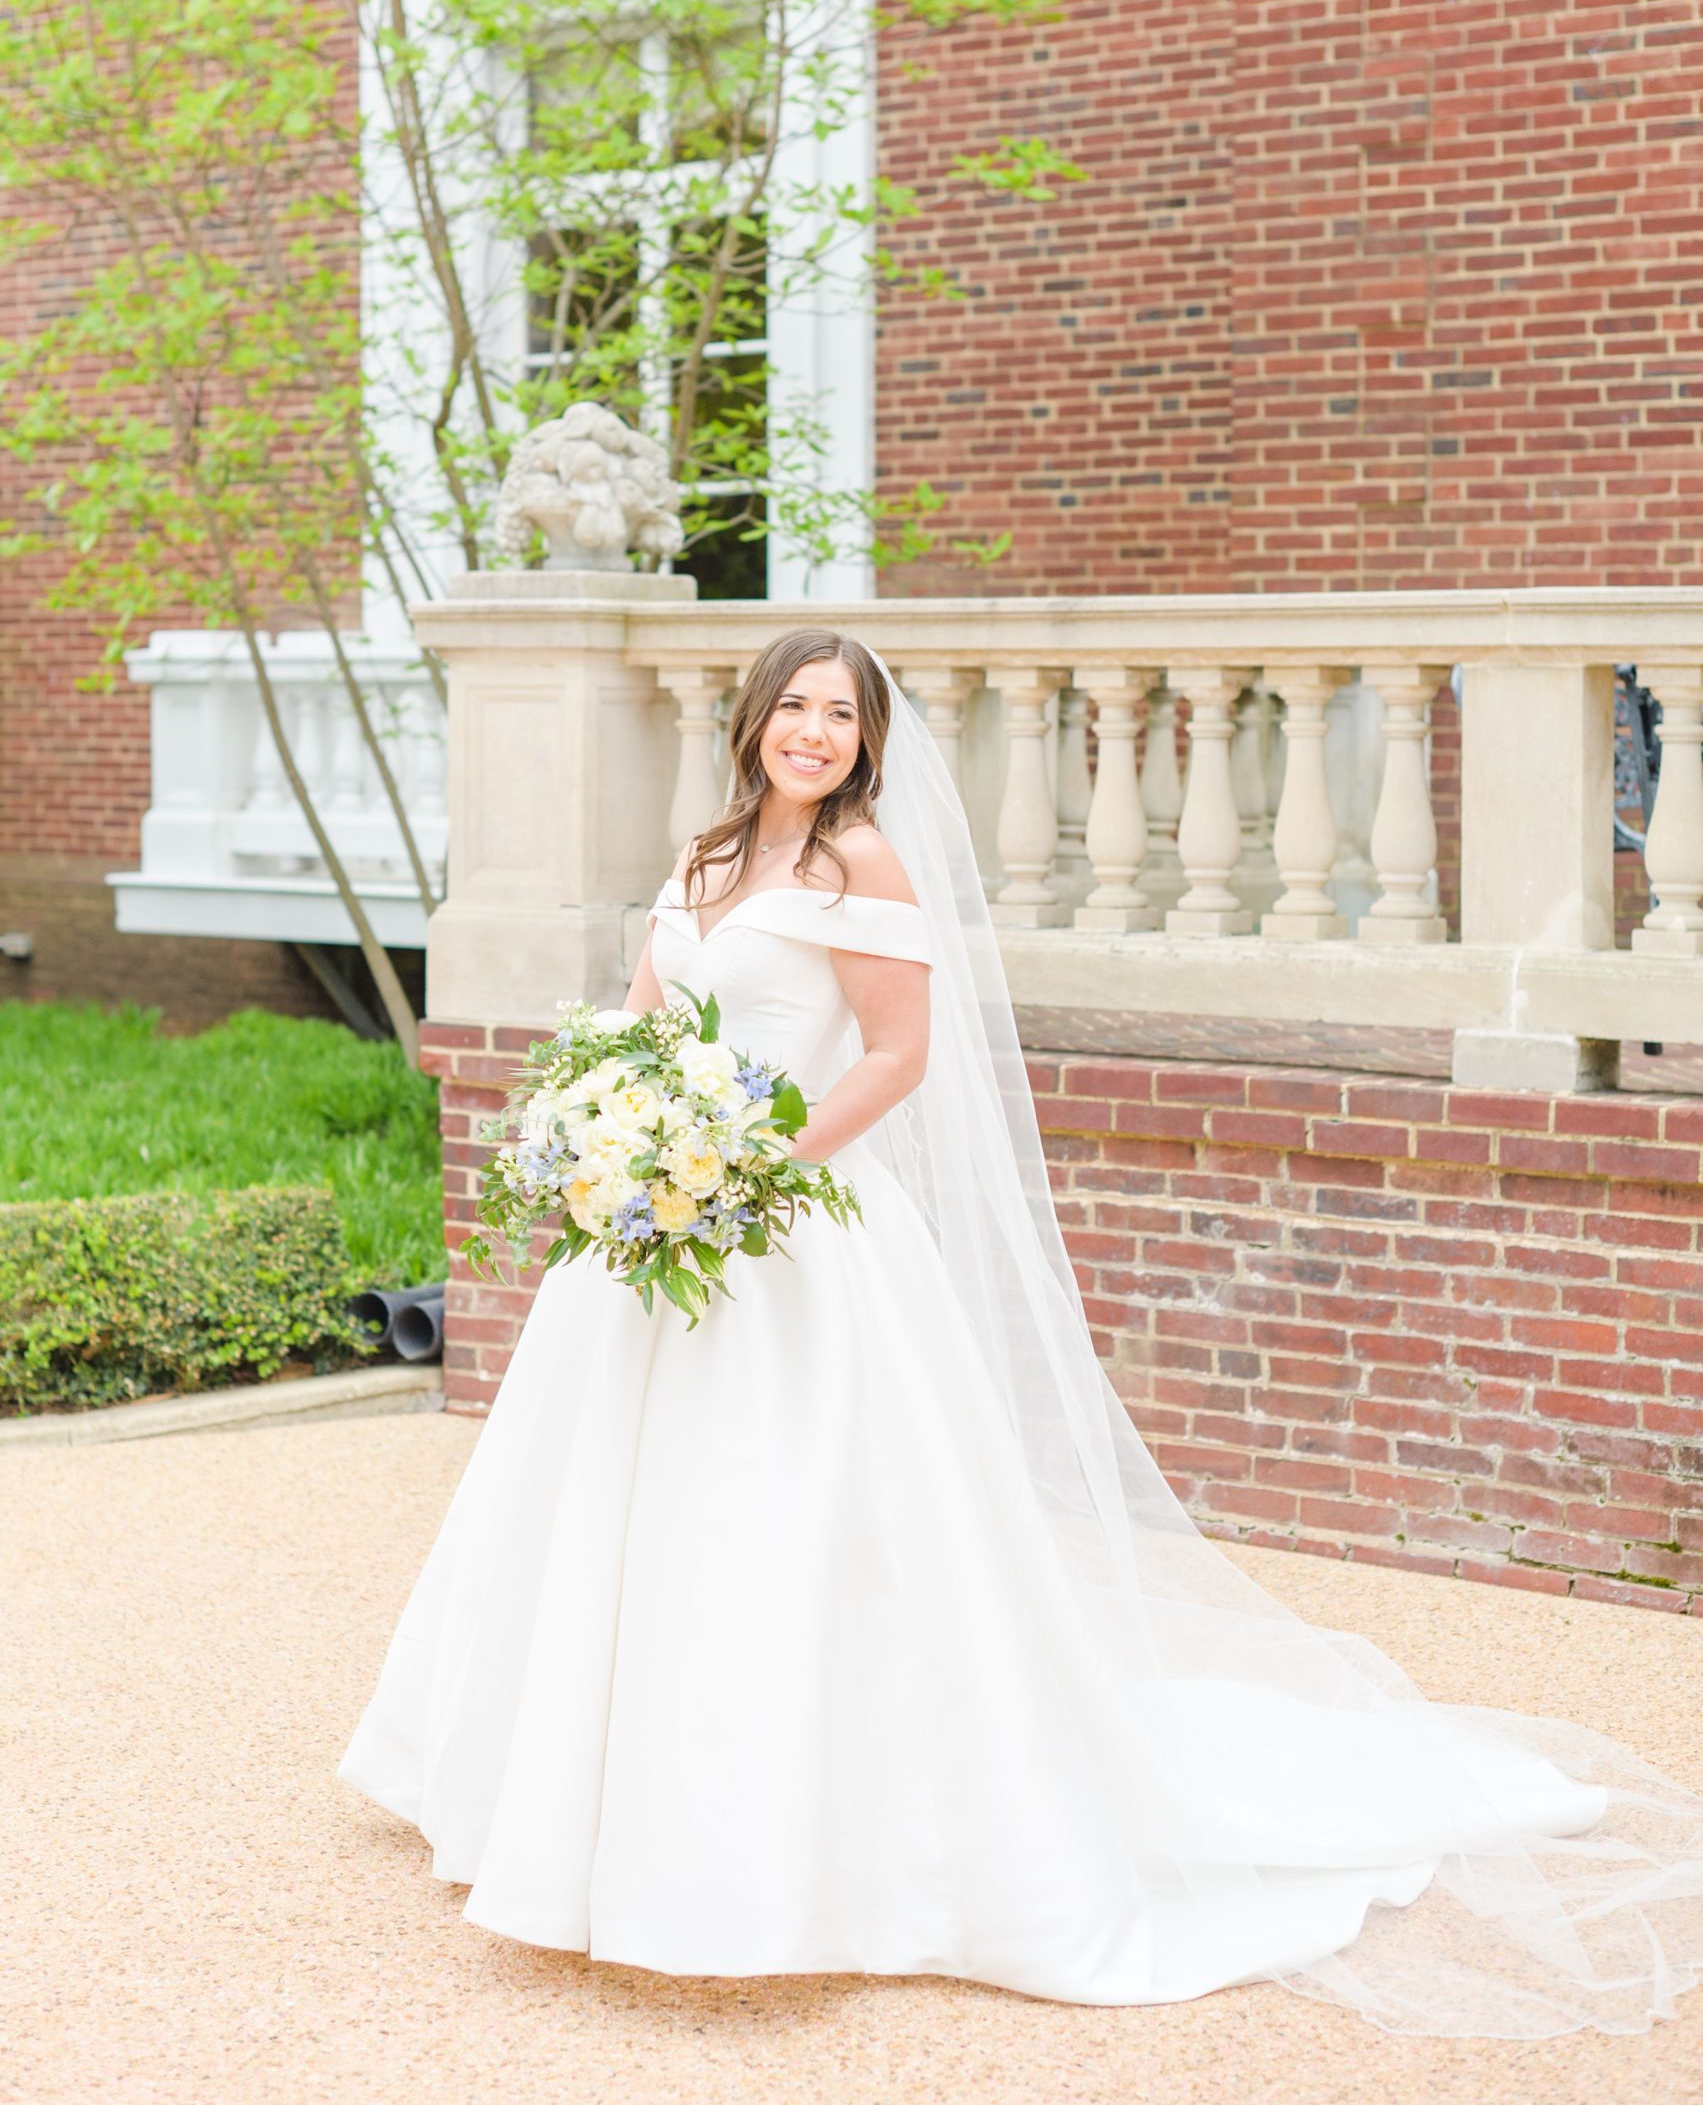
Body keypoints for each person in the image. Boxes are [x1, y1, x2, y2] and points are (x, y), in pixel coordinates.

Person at [340, 628, 1703, 2036]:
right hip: (652, 1238)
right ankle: (570, 1804)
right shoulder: (701, 860)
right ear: (753, 722)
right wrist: (602, 1134)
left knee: (781, 1521)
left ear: (868, 744)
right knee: (611, 1512)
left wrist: (756, 1163)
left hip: (785, 1222)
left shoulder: (858, 866)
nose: (815, 732)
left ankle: (790, 1845)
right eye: (795, 707)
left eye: (843, 716)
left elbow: (898, 1055)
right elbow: (637, 1028)